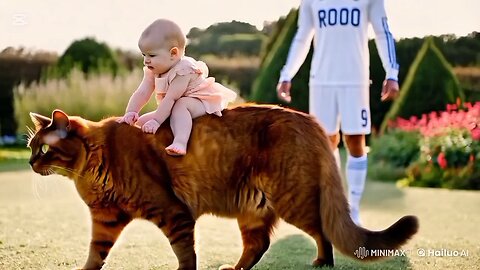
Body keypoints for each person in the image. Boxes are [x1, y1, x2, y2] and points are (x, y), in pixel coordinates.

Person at [277, 0, 400, 225]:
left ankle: (353, 209)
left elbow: (383, 33)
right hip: (321, 81)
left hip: (355, 80)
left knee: (355, 141)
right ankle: (333, 204)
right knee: (325, 143)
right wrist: (287, 74)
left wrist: (392, 72)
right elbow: (302, 37)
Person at [118, 19, 237, 156]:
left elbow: (171, 98)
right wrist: (131, 112)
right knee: (140, 122)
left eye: (152, 55)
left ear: (173, 53)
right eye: (144, 55)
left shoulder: (183, 70)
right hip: (172, 106)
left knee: (180, 105)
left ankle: (180, 142)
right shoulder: (153, 70)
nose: (146, 60)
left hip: (200, 102)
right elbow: (142, 92)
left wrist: (156, 121)